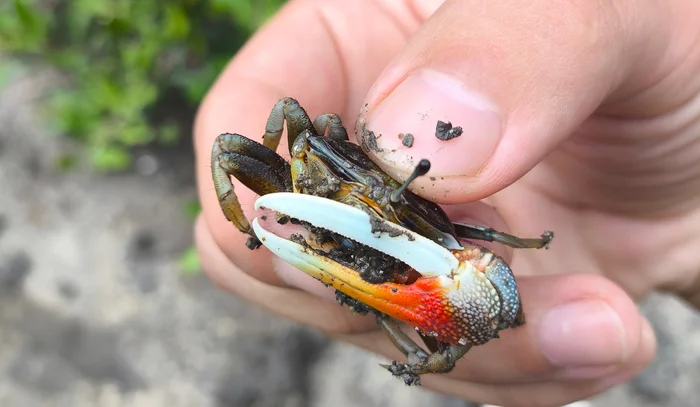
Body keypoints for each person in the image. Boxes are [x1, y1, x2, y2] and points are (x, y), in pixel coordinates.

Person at [192, 1, 700, 405]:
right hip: (318, 191)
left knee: (424, 301)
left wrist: (519, 246)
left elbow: (491, 272)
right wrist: (244, 223)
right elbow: (268, 122)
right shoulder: (311, 144)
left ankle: (416, 360)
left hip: (417, 249)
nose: (366, 207)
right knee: (230, 150)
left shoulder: (443, 231)